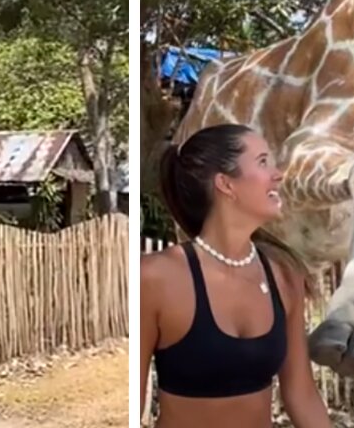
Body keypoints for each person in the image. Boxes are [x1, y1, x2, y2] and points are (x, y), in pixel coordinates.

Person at [140, 124, 332, 428]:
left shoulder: (283, 275)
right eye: (263, 162)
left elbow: (301, 393)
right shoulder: (156, 278)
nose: (278, 174)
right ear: (226, 184)